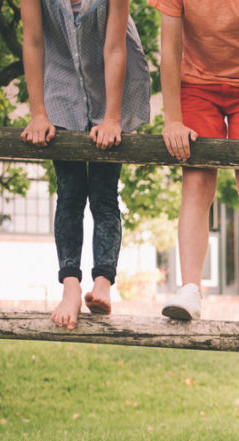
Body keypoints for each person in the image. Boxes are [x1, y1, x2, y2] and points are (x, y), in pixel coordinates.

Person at [153, 0, 239, 325]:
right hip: (196, 87)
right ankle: (189, 288)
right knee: (197, 181)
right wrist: (172, 120)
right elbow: (170, 52)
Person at [20, 0, 150, 330]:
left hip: (111, 91)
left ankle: (104, 281)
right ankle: (70, 287)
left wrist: (111, 118)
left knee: (104, 195)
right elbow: (33, 42)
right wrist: (38, 114)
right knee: (70, 194)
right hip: (60, 93)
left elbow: (114, 48)